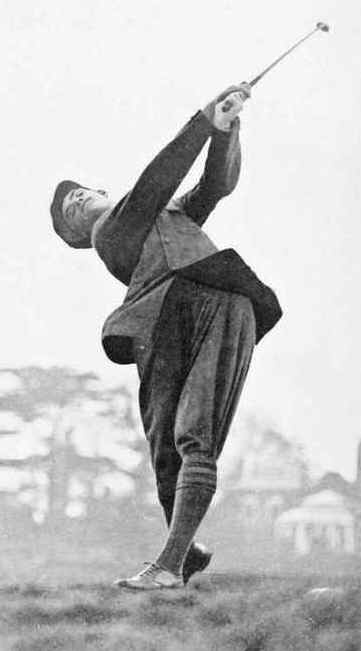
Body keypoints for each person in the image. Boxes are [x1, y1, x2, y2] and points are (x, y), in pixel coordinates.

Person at [50, 84, 282, 590]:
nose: (77, 195)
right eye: (69, 206)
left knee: (194, 433)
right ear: (76, 235)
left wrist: (224, 129)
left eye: (81, 189)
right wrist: (203, 121)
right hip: (164, 317)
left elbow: (213, 186)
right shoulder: (110, 230)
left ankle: (171, 564)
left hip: (219, 298)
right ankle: (186, 548)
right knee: (164, 445)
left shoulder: (164, 213)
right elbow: (158, 178)